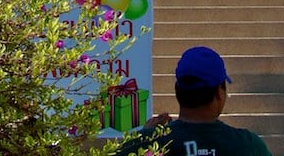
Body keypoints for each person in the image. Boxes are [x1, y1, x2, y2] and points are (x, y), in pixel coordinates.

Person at [117, 46, 273, 156]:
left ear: (177, 90)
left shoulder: (143, 145)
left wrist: (144, 137)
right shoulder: (248, 146)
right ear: (219, 92)